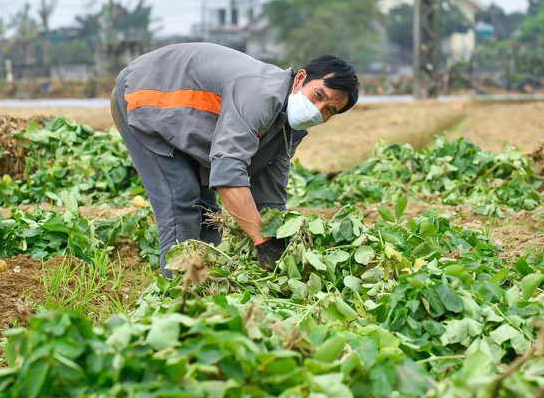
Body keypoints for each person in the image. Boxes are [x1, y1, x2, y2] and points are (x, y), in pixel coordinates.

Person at [110, 42, 359, 277]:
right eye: (318, 95)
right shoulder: (260, 96)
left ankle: (207, 285)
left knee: (207, 212)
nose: (318, 109)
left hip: (189, 121)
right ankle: (177, 293)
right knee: (182, 200)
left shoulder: (288, 128)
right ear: (301, 78)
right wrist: (262, 241)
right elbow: (228, 173)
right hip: (146, 93)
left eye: (329, 110)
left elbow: (270, 191)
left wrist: (280, 239)